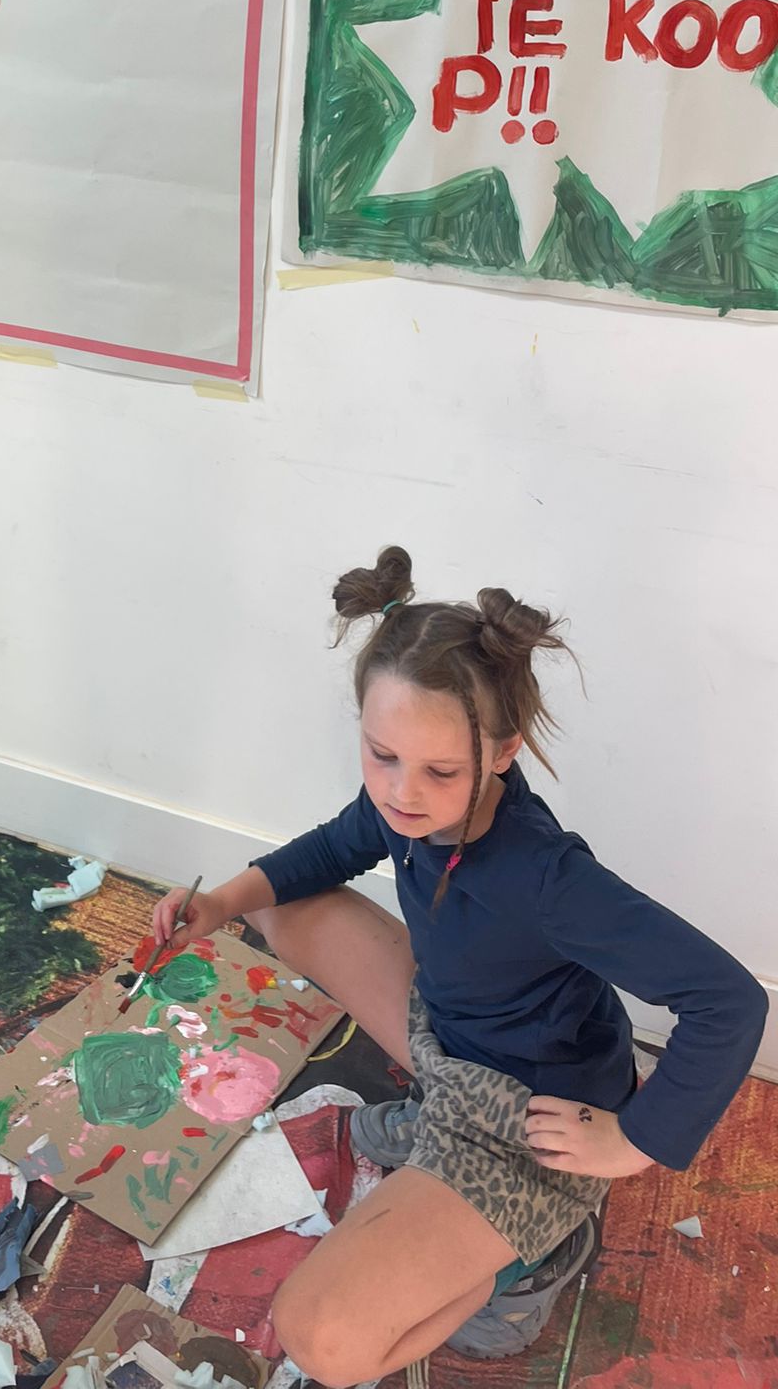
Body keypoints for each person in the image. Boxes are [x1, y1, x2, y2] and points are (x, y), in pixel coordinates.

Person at [152, 546, 767, 1385]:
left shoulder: (548, 878)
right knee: (272, 902)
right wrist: (219, 903)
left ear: (503, 751)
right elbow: (329, 850)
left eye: (440, 770)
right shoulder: (404, 805)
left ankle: (527, 1258)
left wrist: (632, 1142)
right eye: (381, 755)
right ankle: (442, 1148)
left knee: (320, 1340)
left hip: (528, 1118)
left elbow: (729, 1001)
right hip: (450, 1038)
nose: (402, 793)